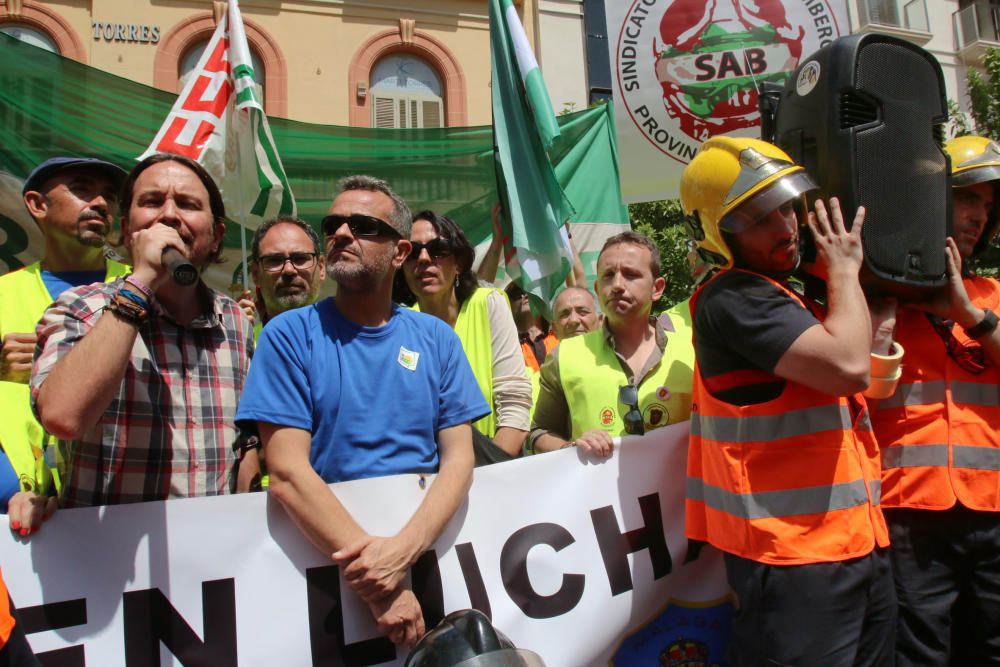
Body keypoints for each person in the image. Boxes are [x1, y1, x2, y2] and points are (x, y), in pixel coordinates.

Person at [235, 176, 488, 649]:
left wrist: (403, 553)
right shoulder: (288, 335)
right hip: (325, 581)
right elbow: (287, 471)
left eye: (364, 225)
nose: (342, 234)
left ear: (400, 253)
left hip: (432, 568)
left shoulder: (437, 339)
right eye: (334, 224)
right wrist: (382, 582)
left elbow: (459, 460)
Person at [680, 136, 896, 666]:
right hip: (792, 557)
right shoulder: (732, 297)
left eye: (787, 206)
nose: (786, 226)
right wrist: (845, 271)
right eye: (758, 218)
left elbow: (864, 381)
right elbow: (847, 367)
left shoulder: (787, 293)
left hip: (855, 541)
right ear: (718, 233)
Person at [19, 152, 253, 525]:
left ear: (216, 236)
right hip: (105, 563)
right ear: (128, 230)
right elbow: (63, 417)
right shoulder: (81, 307)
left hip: (213, 557)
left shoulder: (236, 324)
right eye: (152, 202)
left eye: (189, 204)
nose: (170, 215)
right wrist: (139, 286)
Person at [870, 135, 1000, 665]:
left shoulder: (991, 296)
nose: (978, 217)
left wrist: (972, 315)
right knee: (919, 655)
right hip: (908, 516)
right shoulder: (877, 298)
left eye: (989, 207)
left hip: (992, 512)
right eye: (968, 198)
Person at [0, 157, 129, 518]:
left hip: (124, 504)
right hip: (23, 515)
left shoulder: (143, 288)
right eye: (82, 189)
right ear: (37, 205)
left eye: (108, 196)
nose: (101, 203)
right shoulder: (3, 295)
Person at [529, 231, 694, 456]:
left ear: (657, 288)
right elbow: (538, 433)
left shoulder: (694, 347)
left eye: (631, 274)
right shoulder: (564, 356)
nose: (617, 285)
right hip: (599, 489)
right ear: (597, 290)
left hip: (686, 489)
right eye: (608, 275)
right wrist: (570, 448)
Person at [398, 210, 531, 458]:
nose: (424, 259)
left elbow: (515, 402)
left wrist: (491, 469)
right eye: (413, 252)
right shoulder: (399, 325)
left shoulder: (488, 303)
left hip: (490, 466)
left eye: (438, 249)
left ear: (458, 263)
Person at [233, 215, 328, 492]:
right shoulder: (239, 344)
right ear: (255, 272)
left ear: (321, 267)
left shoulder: (349, 339)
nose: (289, 270)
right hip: (257, 504)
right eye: (274, 260)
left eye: (300, 258)